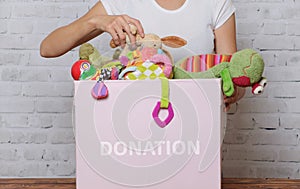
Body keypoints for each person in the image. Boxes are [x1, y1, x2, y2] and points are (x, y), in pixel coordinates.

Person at [40, 0, 245, 110]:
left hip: (194, 134)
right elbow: (49, 48)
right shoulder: (122, 2)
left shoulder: (217, 4)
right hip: (131, 128)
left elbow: (235, 75)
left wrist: (231, 92)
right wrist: (95, 22)